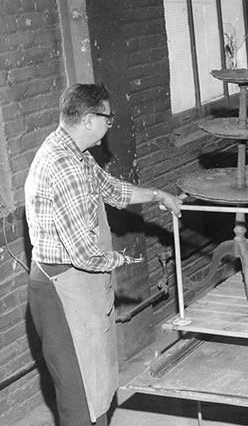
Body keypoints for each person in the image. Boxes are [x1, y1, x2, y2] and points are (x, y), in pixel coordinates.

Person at [24, 83, 184, 426]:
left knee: (96, 386)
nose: (110, 125)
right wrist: (121, 260)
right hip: (60, 288)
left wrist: (159, 195)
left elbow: (113, 190)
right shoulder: (63, 166)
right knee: (78, 398)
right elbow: (83, 254)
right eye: (107, 119)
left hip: (74, 282)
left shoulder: (76, 155)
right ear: (87, 120)